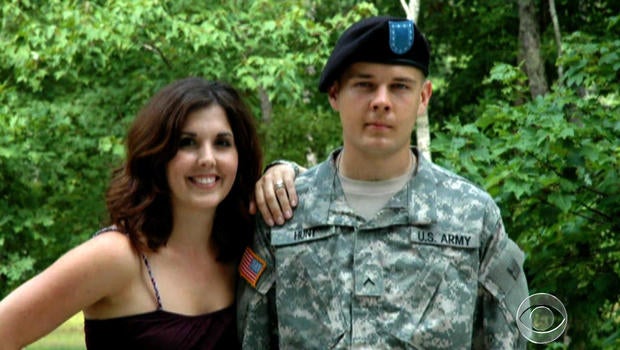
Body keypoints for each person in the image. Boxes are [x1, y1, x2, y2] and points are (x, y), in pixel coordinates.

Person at [237, 16, 530, 349]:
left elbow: (510, 338)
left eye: (400, 86)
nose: (381, 100)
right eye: (364, 84)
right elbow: (251, 337)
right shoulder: (284, 211)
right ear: (334, 93)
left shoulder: (474, 217)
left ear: (424, 97)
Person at [0, 77, 294, 349]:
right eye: (187, 143)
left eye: (222, 143)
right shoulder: (115, 257)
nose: (208, 159)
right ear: (157, 153)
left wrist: (284, 171)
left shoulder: (248, 248)